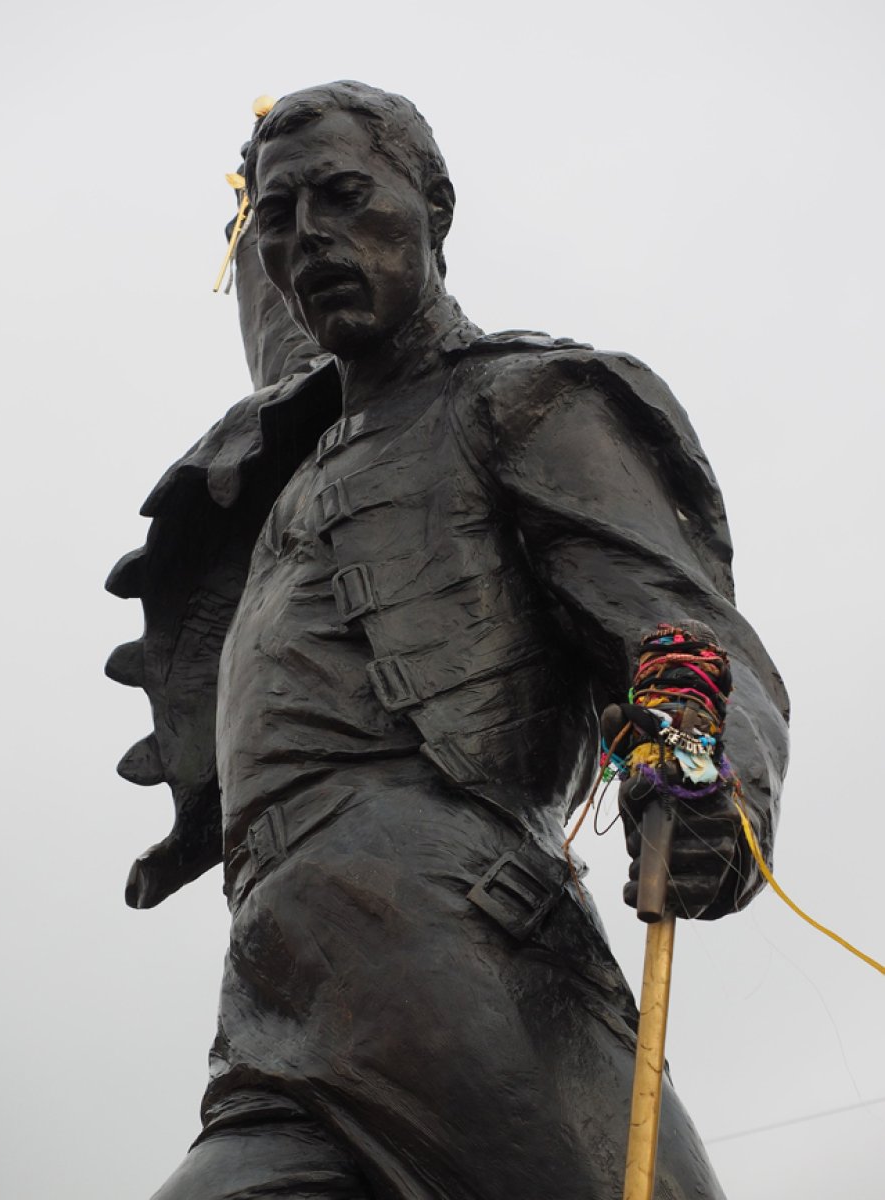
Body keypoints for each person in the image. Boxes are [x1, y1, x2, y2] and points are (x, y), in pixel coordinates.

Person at [107, 82, 789, 1200]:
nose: (308, 237)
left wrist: (704, 772)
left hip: (461, 946)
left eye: (344, 196)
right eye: (279, 218)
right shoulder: (303, 448)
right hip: (275, 995)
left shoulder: (521, 400)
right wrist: (246, 217)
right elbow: (286, 344)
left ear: (434, 207)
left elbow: (681, 625)